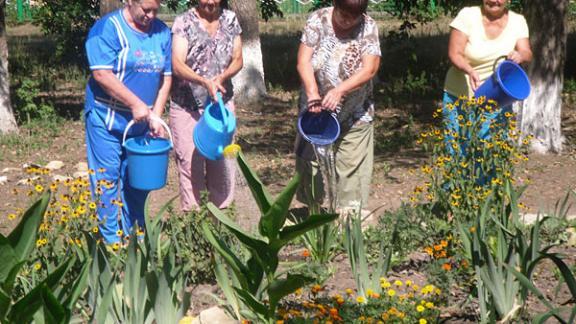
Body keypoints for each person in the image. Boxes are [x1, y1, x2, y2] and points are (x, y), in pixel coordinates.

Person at [84, 0, 172, 244]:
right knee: (107, 179)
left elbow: (166, 78)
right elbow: (101, 74)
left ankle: (136, 236)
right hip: (107, 118)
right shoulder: (107, 29)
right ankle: (112, 243)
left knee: (138, 179)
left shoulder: (162, 32)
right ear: (129, 1)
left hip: (141, 121)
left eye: (156, 9)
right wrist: (135, 104)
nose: (151, 15)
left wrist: (156, 113)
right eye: (146, 9)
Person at [295, 0, 381, 213]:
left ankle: (348, 220)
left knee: (352, 167)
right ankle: (313, 214)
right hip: (314, 109)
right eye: (343, 14)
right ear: (335, 4)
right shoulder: (318, 20)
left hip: (354, 112)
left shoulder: (368, 27)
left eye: (354, 17)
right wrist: (313, 92)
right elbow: (303, 61)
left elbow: (370, 69)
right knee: (308, 163)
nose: (347, 21)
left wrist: (340, 90)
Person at [170, 0, 243, 212]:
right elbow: (177, 64)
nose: (210, 2)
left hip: (221, 107)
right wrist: (204, 81)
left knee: (223, 166)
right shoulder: (183, 22)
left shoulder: (230, 20)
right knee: (190, 168)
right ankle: (195, 226)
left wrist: (223, 76)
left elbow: (238, 59)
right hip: (187, 107)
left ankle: (222, 222)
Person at [443, 0, 532, 143]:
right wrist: (469, 70)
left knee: (490, 154)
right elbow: (454, 53)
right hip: (460, 96)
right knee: (457, 153)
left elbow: (527, 52)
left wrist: (520, 55)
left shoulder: (518, 21)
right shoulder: (467, 16)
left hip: (496, 97)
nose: (495, 1)